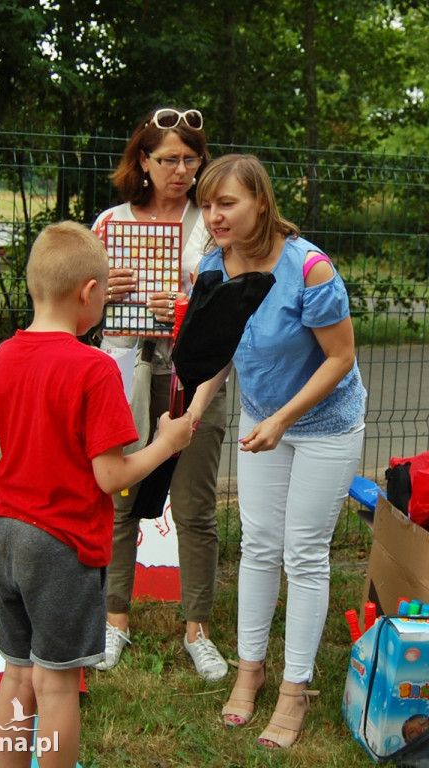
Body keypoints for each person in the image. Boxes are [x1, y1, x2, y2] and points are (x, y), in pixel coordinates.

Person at [0, 221, 193, 768]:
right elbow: (112, 477)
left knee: (15, 673)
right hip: (59, 543)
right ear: (89, 293)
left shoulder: (3, 356)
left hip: (3, 532)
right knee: (57, 686)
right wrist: (167, 443)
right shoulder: (93, 367)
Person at [187, 154, 367, 748]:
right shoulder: (214, 266)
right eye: (208, 204)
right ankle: (250, 669)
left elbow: (341, 358)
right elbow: (217, 351)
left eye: (227, 203)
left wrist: (284, 419)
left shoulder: (309, 268)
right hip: (262, 419)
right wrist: (191, 409)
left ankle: (295, 689)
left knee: (305, 552)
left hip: (325, 424)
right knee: (260, 544)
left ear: (260, 202)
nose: (213, 215)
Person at [92, 107, 228, 681]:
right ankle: (114, 621)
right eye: (167, 158)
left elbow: (237, 303)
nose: (180, 170)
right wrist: (102, 290)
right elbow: (74, 308)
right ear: (142, 161)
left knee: (195, 506)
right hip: (125, 371)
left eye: (190, 159)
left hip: (196, 376)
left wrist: (192, 295)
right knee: (121, 499)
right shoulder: (110, 223)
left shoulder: (216, 220)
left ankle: (197, 628)